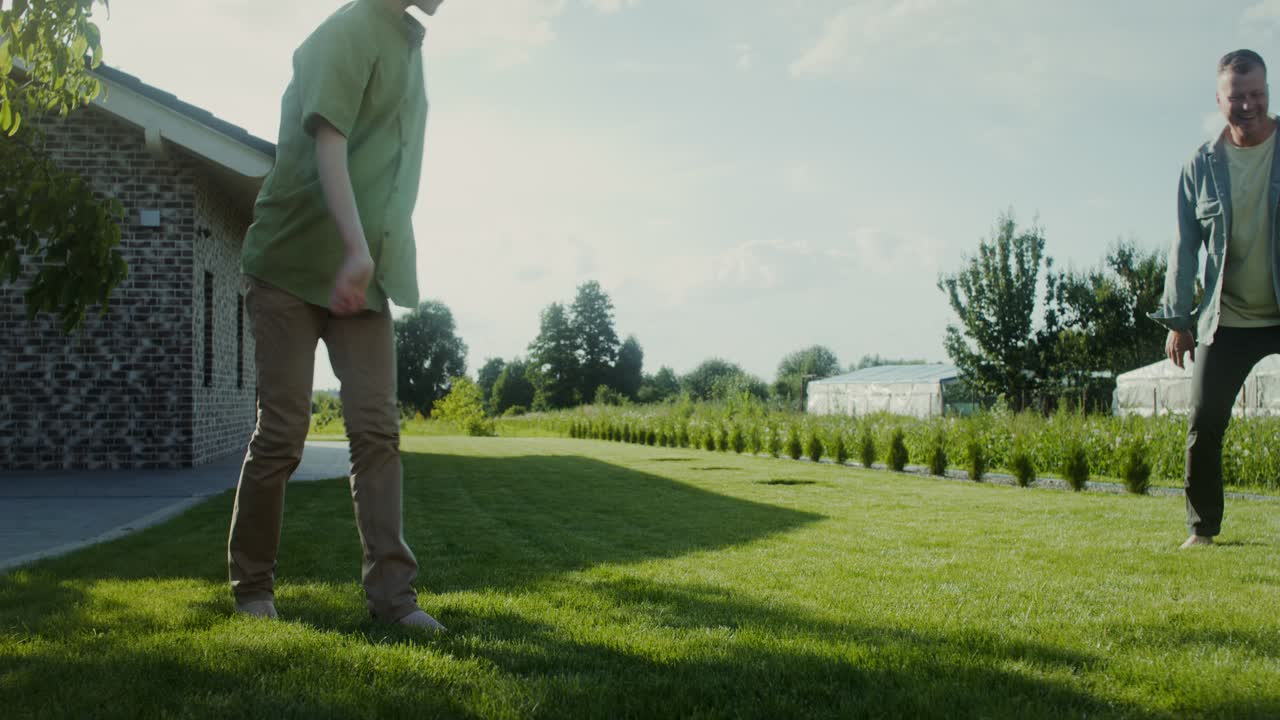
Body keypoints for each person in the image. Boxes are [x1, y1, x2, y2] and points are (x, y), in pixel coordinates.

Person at [227, 0, 446, 630]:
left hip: (364, 274)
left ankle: (393, 600)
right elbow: (331, 142)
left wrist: (371, 258)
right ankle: (252, 589)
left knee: (377, 431)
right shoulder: (346, 32)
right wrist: (353, 248)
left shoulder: (407, 45)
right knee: (283, 431)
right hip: (294, 264)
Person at [1152, 49, 1280, 550]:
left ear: (1267, 91)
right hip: (1226, 319)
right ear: (1219, 99)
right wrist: (1178, 320)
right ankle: (1202, 530)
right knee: (1204, 423)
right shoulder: (1200, 166)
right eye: (1238, 97)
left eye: (1258, 95)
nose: (1248, 105)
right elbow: (1184, 245)